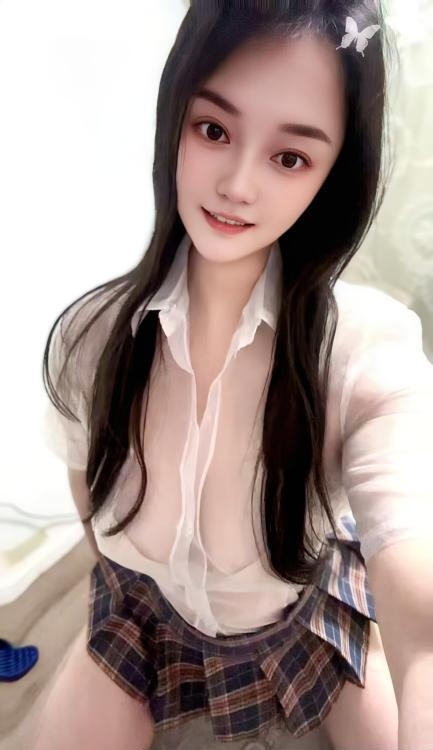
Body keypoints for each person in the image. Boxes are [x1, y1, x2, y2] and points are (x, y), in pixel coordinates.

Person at [35, 2, 433, 749]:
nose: (238, 185)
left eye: (291, 158)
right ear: (175, 118)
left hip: (298, 617)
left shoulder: (362, 348)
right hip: (143, 618)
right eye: (213, 130)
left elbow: (418, 583)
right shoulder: (92, 339)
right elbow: (86, 490)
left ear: (332, 174)